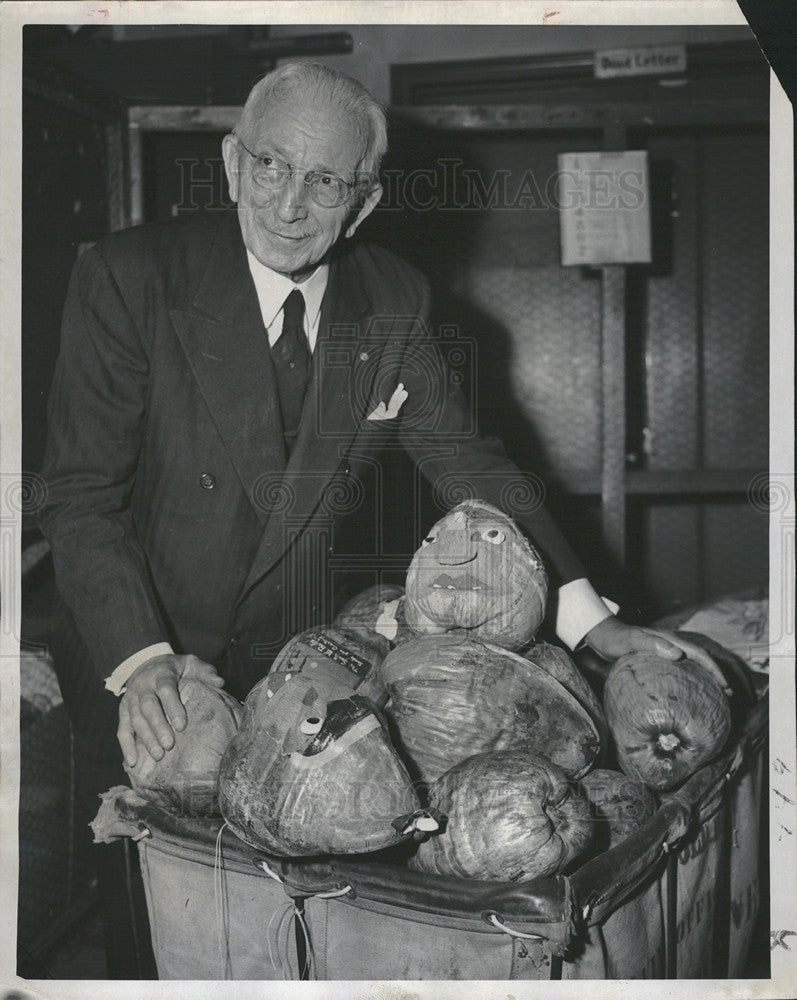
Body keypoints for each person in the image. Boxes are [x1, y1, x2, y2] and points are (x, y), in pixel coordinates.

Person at [38, 61, 720, 974]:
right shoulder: (130, 277)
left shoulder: (391, 297)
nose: (289, 205)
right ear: (234, 165)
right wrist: (144, 659)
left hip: (307, 689)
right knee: (160, 941)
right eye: (273, 167)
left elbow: (474, 469)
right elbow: (81, 497)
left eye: (325, 181)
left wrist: (591, 628)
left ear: (361, 202)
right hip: (148, 668)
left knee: (292, 940)